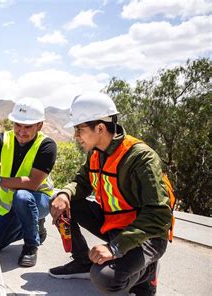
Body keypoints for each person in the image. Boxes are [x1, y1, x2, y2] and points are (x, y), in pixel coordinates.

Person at [48, 92, 174, 295]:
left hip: (147, 237)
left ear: (100, 128)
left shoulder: (140, 157)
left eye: (79, 129)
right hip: (113, 224)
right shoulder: (96, 153)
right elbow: (81, 183)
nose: (75, 136)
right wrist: (64, 194)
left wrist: (115, 248)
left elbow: (159, 215)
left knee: (105, 279)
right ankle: (82, 261)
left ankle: (147, 274)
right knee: (60, 201)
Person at [0, 98, 57, 267]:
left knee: (22, 197)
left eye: (27, 126)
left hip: (39, 199)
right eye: (18, 125)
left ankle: (31, 245)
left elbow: (32, 183)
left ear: (39, 126)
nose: (21, 131)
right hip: (10, 207)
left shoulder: (47, 145)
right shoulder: (1, 139)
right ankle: (34, 225)